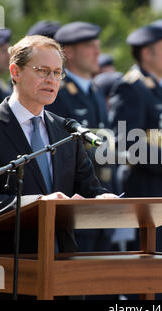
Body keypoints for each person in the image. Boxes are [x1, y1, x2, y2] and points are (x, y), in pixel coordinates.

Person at [0, 35, 117, 261]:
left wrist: (102, 199)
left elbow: (89, 189)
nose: (52, 79)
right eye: (42, 70)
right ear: (15, 72)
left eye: (57, 72)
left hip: (63, 260)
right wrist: (38, 203)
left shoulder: (66, 130)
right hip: (9, 263)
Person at [109, 23, 162, 255]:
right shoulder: (131, 88)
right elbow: (126, 141)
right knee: (150, 273)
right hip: (149, 192)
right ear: (147, 53)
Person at [47, 22, 115, 252]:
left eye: (97, 45)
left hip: (101, 192)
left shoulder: (94, 90)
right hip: (76, 196)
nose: (98, 52)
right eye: (89, 46)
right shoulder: (60, 91)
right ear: (69, 53)